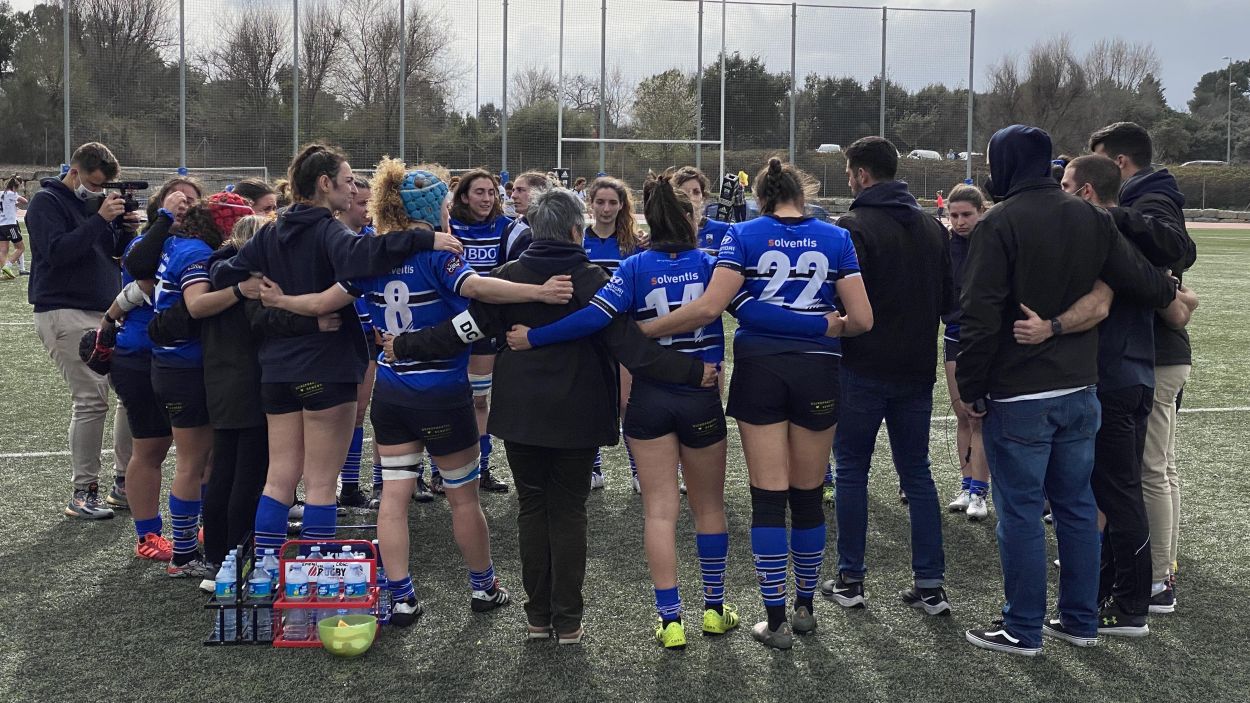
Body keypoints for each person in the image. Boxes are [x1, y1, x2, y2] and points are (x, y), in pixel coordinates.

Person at [385, 187, 716, 645]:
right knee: (569, 512)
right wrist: (694, 370)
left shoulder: (507, 278)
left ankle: (537, 617)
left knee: (532, 508)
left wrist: (403, 345)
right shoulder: (596, 279)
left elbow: (460, 331)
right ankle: (569, 621)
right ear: (577, 230)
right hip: (579, 416)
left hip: (520, 415)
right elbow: (633, 352)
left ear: (534, 229)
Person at [260, 160, 574, 626]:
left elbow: (325, 303)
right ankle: (484, 587)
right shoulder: (439, 253)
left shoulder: (371, 253)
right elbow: (479, 289)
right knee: (463, 498)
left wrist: (281, 300)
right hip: (443, 393)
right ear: (435, 208)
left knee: (394, 497)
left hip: (391, 393)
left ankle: (402, 597)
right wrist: (539, 292)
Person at [958, 125, 1176, 657]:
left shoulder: (1000, 222)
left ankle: (1022, 628)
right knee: (1078, 507)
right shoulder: (1092, 217)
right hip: (1082, 388)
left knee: (1023, 511)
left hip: (1022, 390)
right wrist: (1096, 293)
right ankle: (1080, 621)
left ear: (1005, 164)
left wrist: (971, 386)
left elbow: (981, 316)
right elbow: (1152, 284)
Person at [637, 158, 872, 649]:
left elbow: (710, 306)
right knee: (808, 495)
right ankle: (806, 607)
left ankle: (776, 621)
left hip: (761, 368)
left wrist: (643, 331)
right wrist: (821, 325)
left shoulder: (743, 235)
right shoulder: (835, 237)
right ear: (801, 193)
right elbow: (863, 320)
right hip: (818, 370)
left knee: (768, 495)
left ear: (760, 195)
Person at [505, 174, 740, 649]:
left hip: (650, 399)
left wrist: (535, 336)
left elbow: (594, 318)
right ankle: (714, 610)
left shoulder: (632, 268)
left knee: (658, 511)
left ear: (646, 221)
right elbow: (753, 314)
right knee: (710, 508)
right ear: (694, 219)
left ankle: (670, 620)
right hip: (700, 395)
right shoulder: (715, 266)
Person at [209, 143, 465, 555]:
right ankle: (314, 574)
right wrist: (422, 240)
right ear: (324, 184)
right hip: (327, 367)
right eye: (346, 182)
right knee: (321, 484)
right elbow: (365, 255)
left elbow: (221, 270)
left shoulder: (271, 229)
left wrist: (248, 286)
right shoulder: (328, 229)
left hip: (277, 371)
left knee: (278, 478)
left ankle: (264, 571)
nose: (351, 190)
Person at [1017, 153, 1196, 636]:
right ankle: (1115, 597)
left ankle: (1132, 605)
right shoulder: (1140, 239)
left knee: (1118, 494)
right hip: (1136, 373)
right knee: (1117, 490)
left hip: (1115, 377)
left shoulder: (1107, 235)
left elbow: (1099, 304)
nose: (1062, 191)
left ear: (1088, 192)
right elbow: (1177, 300)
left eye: (1068, 184)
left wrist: (1049, 326)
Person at [820, 136, 953, 618]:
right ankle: (931, 585)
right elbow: (950, 303)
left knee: (852, 469)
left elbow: (838, 300)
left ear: (859, 174)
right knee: (916, 472)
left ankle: (851, 579)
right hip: (916, 369)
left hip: (860, 366)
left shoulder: (852, 226)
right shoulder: (933, 227)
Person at [1089, 122, 1198, 613]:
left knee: (1148, 471)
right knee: (1159, 468)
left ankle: (1154, 580)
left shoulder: (1148, 201)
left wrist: (1113, 216)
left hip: (1155, 352)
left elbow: (1175, 248)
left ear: (1118, 163)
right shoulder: (1153, 196)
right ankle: (1157, 570)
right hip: (1160, 351)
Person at [143, 193, 257, 577]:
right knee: (194, 463)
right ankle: (185, 555)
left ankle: (202, 545)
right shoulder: (194, 252)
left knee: (206, 463)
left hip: (173, 363)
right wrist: (241, 291)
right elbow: (196, 305)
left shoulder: (177, 243)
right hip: (184, 367)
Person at [25, 142, 135, 518]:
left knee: (132, 393)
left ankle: (125, 482)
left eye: (104, 186)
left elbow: (106, 253)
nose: (98, 191)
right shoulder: (46, 203)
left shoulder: (91, 207)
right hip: (63, 308)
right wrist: (99, 219)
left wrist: (122, 229)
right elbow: (57, 252)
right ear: (74, 172)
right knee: (91, 398)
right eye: (92, 182)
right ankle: (83, 492)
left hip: (103, 310)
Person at [102, 178, 200, 559]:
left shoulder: (193, 245)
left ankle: (197, 528)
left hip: (180, 358)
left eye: (192, 200)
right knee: (151, 448)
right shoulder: (145, 245)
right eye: (178, 200)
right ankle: (148, 536)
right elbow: (143, 275)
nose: (185, 206)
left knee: (199, 451)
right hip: (142, 355)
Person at [448, 168, 516, 494]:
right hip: (450, 322)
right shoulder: (448, 227)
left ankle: (482, 469)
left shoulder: (506, 227)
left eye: (491, 192)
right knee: (447, 397)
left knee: (478, 399)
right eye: (479, 192)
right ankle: (439, 470)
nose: (487, 198)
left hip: (486, 324)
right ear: (464, 196)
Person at [583, 176, 643, 490]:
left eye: (613, 203)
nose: (606, 209)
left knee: (626, 402)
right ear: (590, 204)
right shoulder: (578, 239)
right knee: (591, 400)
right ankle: (593, 469)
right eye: (600, 202)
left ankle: (638, 471)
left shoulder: (635, 243)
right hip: (589, 333)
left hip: (623, 332)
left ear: (622, 206)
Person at [942, 184, 991, 520]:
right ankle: (965, 485)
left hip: (986, 340)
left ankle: (980, 493)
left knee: (980, 418)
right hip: (955, 337)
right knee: (962, 414)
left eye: (966, 215)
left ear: (981, 212)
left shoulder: (992, 243)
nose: (959, 222)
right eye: (953, 215)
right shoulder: (945, 247)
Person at [334, 176, 378, 510]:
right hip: (334, 333)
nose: (368, 209)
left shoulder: (372, 239)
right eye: (362, 203)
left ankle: (349, 486)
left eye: (370, 202)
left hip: (367, 336)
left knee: (358, 412)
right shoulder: (333, 240)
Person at [671, 166, 731, 257]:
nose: (691, 197)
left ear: (703, 197)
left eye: (696, 192)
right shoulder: (664, 234)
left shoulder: (724, 231)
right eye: (684, 193)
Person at [499, 171, 551, 263]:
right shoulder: (511, 228)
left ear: (541, 192)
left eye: (520, 190)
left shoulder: (561, 228)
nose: (513, 195)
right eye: (513, 190)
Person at [1, 175, 29, 278]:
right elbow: (25, 201)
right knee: (20, 247)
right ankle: (8, 266)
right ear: (14, 187)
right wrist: (16, 198)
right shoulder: (11, 194)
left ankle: (5, 272)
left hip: (1, 225)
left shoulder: (0, 194)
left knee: (3, 250)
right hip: (10, 224)